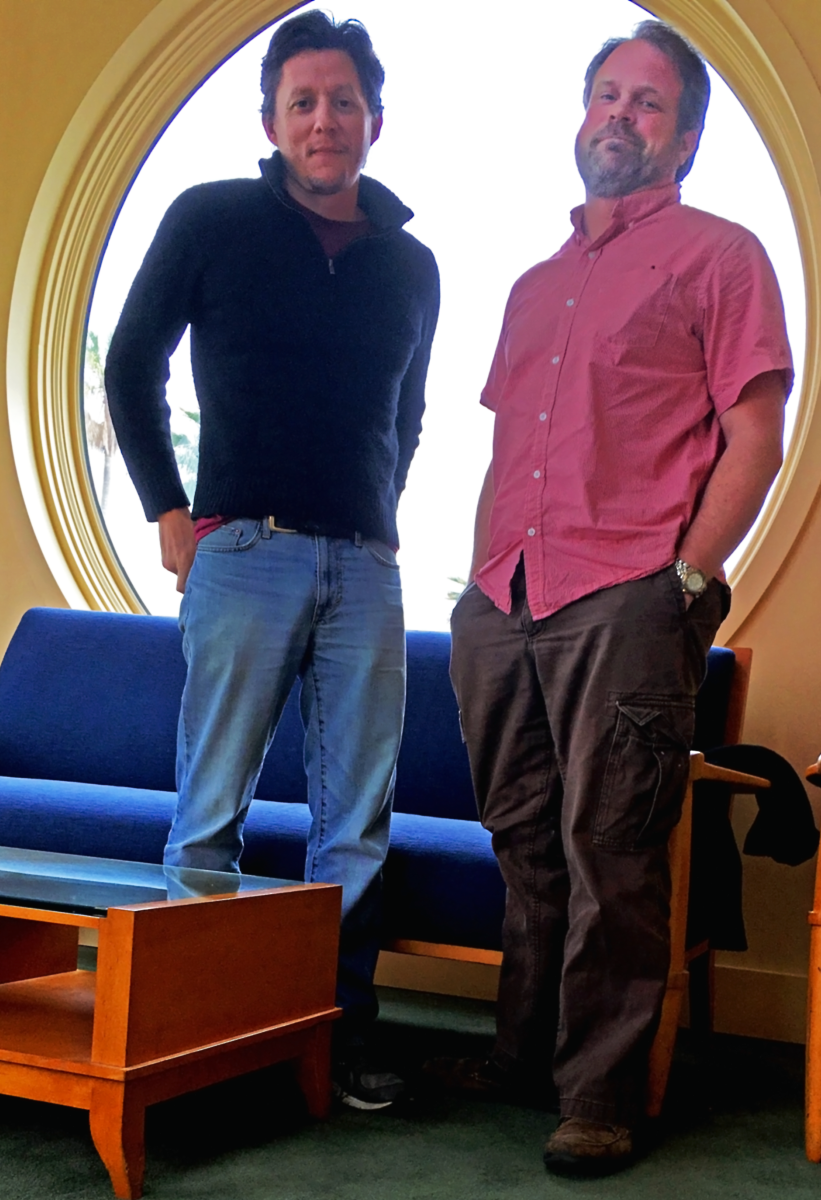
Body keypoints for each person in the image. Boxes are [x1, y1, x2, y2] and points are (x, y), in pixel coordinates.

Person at [446, 19, 792, 1175]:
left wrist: (683, 578)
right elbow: (508, 448)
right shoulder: (534, 286)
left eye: (648, 102)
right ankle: (523, 1056)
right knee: (524, 840)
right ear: (581, 115)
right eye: (606, 94)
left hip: (629, 591)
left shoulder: (722, 256)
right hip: (505, 596)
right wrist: (479, 576)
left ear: (684, 138)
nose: (620, 115)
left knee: (613, 846)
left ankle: (599, 1096)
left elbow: (756, 436)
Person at [105, 10, 439, 1111]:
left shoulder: (412, 265)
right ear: (272, 122)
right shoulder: (211, 218)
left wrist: (377, 518)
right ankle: (194, 1038)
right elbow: (130, 362)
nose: (324, 120)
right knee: (211, 811)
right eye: (303, 102)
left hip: (368, 567)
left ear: (375, 119)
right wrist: (168, 508)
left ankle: (333, 1040)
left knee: (358, 825)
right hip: (242, 549)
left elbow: (408, 416)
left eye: (344, 101)